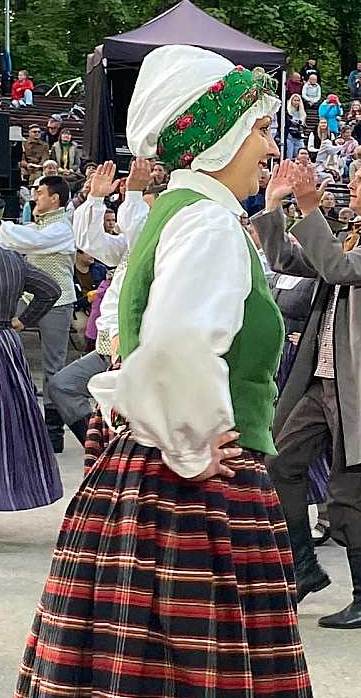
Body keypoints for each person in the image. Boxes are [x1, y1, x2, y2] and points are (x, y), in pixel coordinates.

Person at [14, 44, 312, 698]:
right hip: (196, 483)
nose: (268, 148)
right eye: (259, 129)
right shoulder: (205, 222)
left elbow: (144, 338)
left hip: (153, 471)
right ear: (217, 135)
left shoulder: (175, 213)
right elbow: (177, 341)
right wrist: (191, 439)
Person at [253, 156, 361, 630]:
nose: (353, 184)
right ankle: (303, 566)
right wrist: (273, 207)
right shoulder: (356, 233)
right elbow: (286, 259)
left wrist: (307, 206)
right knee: (279, 462)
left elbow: (338, 269)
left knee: (349, 492)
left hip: (357, 384)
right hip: (324, 380)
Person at [50, 160, 151, 445]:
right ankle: (101, 446)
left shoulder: (156, 247)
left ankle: (112, 449)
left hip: (134, 347)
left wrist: (133, 194)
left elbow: (139, 230)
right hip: (109, 344)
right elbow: (90, 242)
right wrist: (95, 198)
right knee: (64, 386)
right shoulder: (130, 247)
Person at [0, 174, 76, 453]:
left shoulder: (61, 228)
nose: (35, 198)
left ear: (54, 199)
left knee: (53, 367)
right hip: (28, 298)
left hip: (59, 303)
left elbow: (29, 241)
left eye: (40, 193)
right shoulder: (40, 226)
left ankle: (53, 432)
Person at [0, 249, 63, 510]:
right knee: (9, 429)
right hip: (5, 345)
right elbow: (51, 289)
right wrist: (23, 321)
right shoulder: (12, 260)